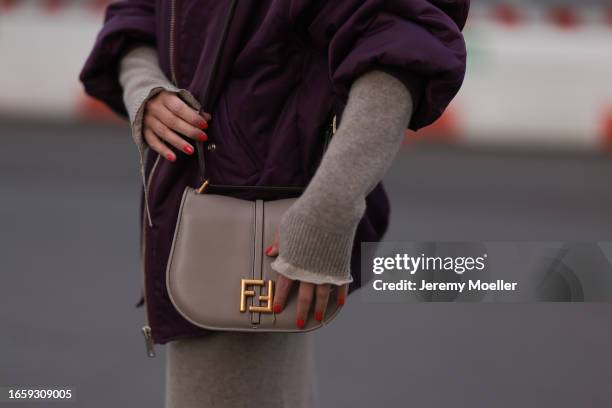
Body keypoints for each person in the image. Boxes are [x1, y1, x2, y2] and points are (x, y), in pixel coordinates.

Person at [80, 1, 468, 406]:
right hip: (204, 216)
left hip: (261, 237)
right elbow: (137, 14)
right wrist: (143, 84)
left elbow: (398, 45)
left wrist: (326, 212)